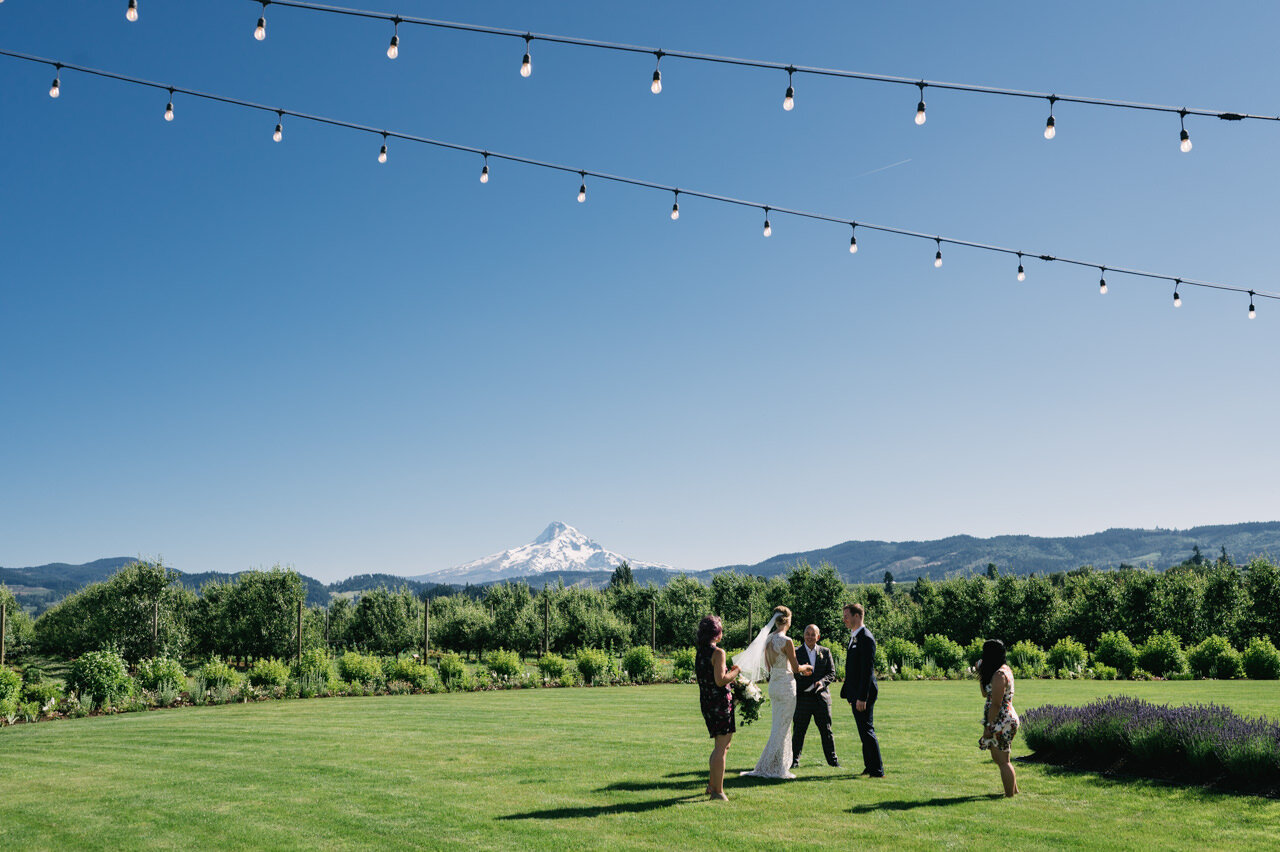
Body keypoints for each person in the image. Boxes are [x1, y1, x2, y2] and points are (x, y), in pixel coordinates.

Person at [739, 605, 812, 779]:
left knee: (779, 726)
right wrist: (806, 667)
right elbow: (795, 668)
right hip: (786, 685)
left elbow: (767, 665)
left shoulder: (768, 639)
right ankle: (767, 766)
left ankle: (777, 765)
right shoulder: (786, 641)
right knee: (783, 727)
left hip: (774, 685)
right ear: (788, 620)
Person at [695, 614, 740, 801]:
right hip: (720, 704)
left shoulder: (700, 652)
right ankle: (718, 792)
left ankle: (711, 784)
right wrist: (736, 671)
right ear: (716, 633)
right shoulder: (718, 653)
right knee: (721, 748)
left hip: (707, 702)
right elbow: (721, 680)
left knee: (721, 746)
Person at [840, 602, 883, 777]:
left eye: (846, 616)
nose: (844, 620)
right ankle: (869, 766)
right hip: (855, 692)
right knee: (862, 730)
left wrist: (862, 697)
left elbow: (867, 670)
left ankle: (877, 770)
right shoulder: (855, 636)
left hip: (864, 693)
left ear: (857, 616)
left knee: (867, 729)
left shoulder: (866, 637)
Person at [791, 623, 840, 768]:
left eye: (813, 634)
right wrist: (801, 673)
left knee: (826, 731)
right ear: (803, 635)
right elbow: (792, 673)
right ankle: (793, 761)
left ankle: (833, 761)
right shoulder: (796, 652)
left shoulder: (825, 651)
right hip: (803, 699)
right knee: (799, 731)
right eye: (807, 633)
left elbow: (832, 673)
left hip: (821, 698)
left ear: (818, 637)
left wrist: (822, 682)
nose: (810, 637)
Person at [977, 639, 1020, 797]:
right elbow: (984, 694)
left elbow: (995, 704)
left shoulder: (999, 675)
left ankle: (1009, 795)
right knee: (1003, 758)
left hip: (1002, 720)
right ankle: (1013, 791)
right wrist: (980, 673)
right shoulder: (1003, 670)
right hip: (1005, 719)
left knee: (1002, 760)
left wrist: (989, 727)